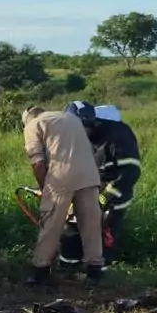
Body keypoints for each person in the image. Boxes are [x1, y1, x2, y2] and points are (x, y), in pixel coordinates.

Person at [21, 106, 105, 288]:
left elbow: (37, 162)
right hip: (90, 174)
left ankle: (40, 272)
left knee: (51, 224)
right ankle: (95, 272)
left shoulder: (33, 125)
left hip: (61, 176)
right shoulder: (70, 118)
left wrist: (45, 189)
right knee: (91, 224)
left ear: (27, 119)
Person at [63, 100, 141, 265]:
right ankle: (68, 272)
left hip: (114, 196)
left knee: (103, 234)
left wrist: (105, 198)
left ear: (89, 122)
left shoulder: (118, 136)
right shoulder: (79, 136)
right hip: (87, 191)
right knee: (71, 230)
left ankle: (97, 280)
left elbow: (130, 172)